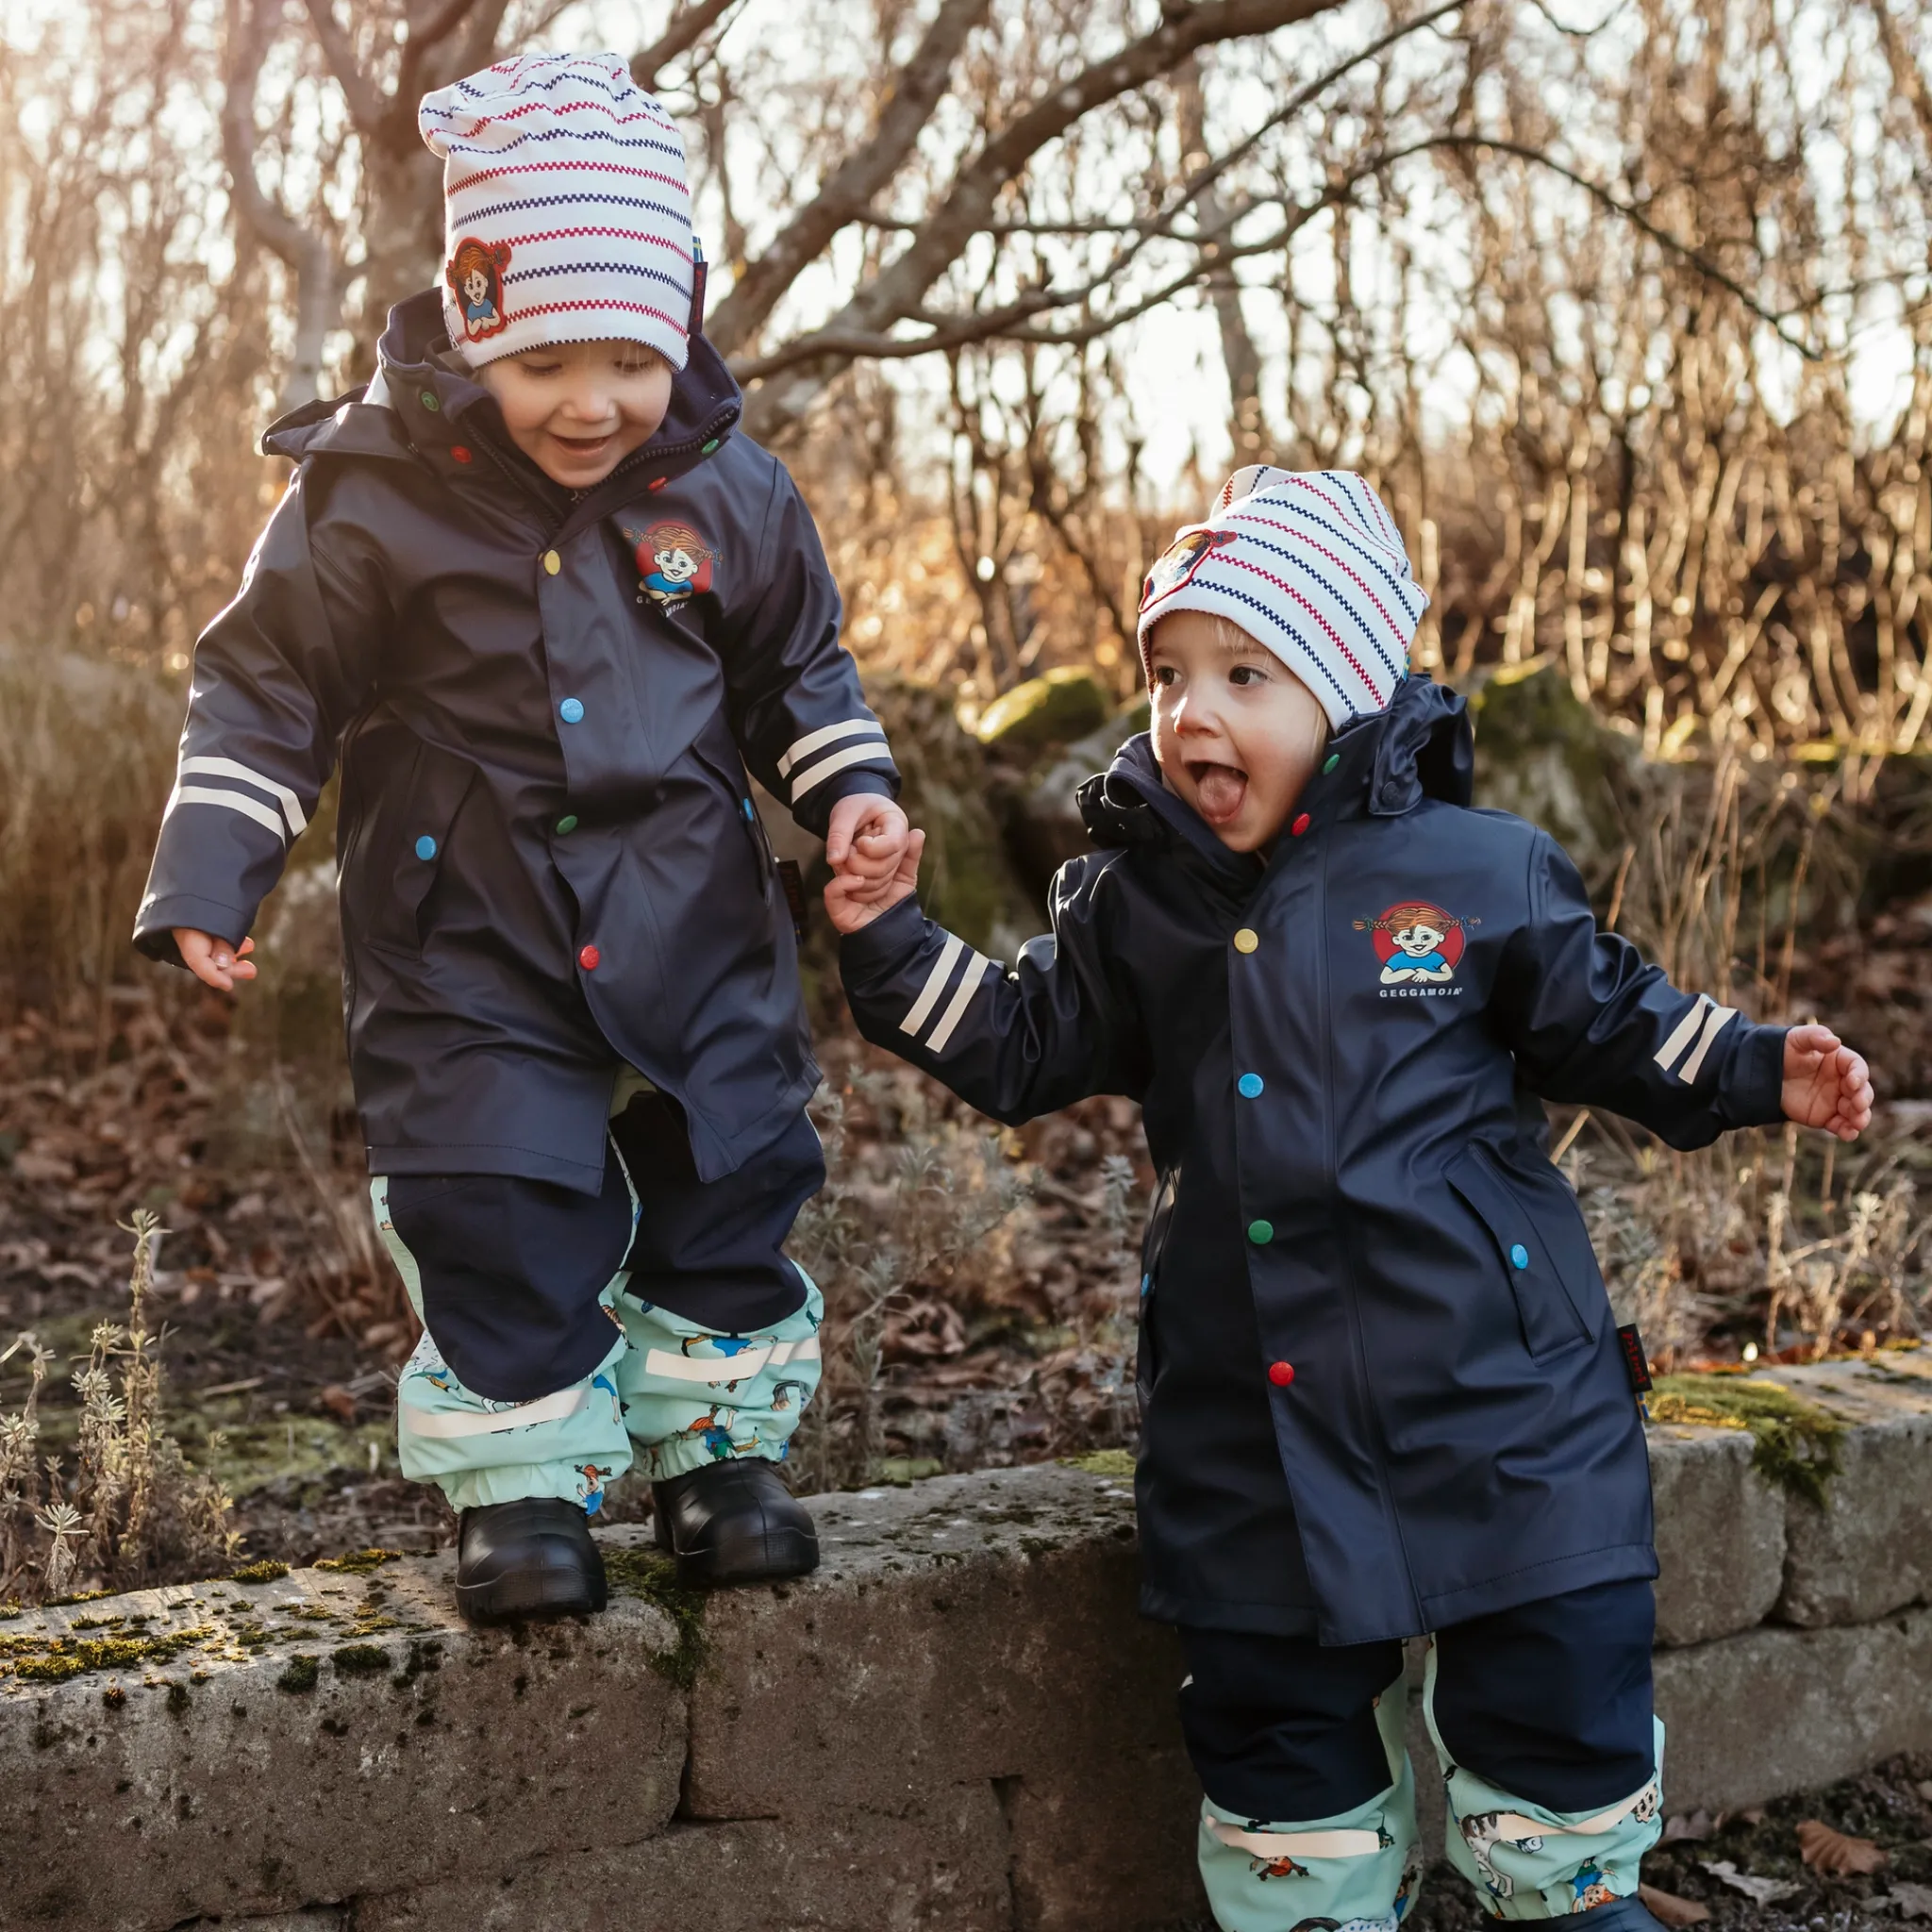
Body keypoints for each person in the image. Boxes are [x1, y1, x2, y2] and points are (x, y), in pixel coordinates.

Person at [825, 464, 1872, 1930]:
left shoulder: (1476, 872)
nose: (1195, 712)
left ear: (1348, 694)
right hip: (1252, 1416)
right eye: (1172, 675)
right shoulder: (1137, 907)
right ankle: (1310, 1906)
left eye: (1246, 673)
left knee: (1552, 1677)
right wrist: (886, 940)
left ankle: (1574, 1899)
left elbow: (1611, 1019)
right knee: (1272, 1718)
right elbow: (1015, 1042)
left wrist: (1765, 1069)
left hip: (1501, 1402)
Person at [134, 51, 910, 1624]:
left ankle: (719, 1450)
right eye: (550, 358)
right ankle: (527, 1477)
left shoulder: (723, 491)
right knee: (493, 1188)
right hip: (465, 918)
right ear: (477, 325)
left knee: (732, 1158)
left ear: (677, 333)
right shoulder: (372, 501)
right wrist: (218, 864)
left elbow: (795, 667)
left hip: (689, 902)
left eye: (630, 358)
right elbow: (268, 679)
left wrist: (850, 795)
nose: (593, 402)